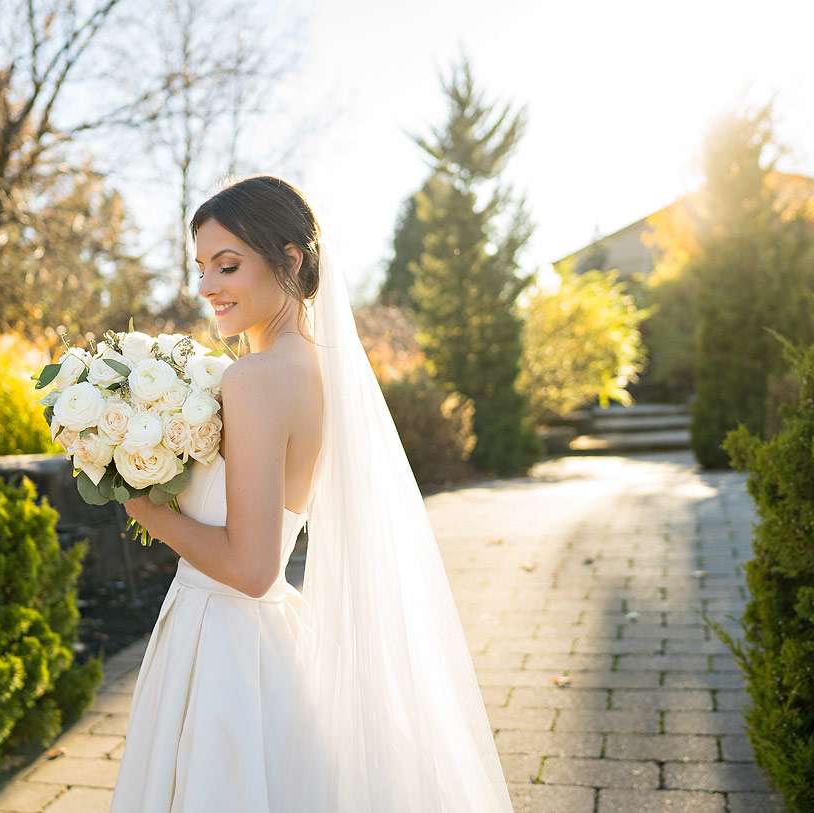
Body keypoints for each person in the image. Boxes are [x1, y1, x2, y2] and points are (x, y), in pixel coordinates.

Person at [109, 174, 512, 812]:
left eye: (228, 264)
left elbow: (251, 566)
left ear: (290, 260)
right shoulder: (307, 369)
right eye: (201, 267)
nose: (208, 286)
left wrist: (139, 504)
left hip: (224, 644)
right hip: (258, 635)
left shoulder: (256, 378)